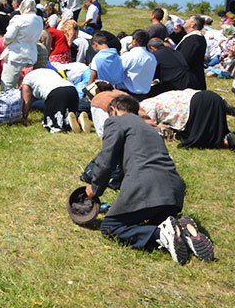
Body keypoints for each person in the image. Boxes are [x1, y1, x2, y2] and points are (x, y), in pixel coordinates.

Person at [83, 95, 213, 264]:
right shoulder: (149, 129)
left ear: (114, 110)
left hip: (146, 186)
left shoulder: (115, 122)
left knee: (111, 227)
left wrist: (95, 188)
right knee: (155, 222)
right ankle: (181, 229)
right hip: (174, 191)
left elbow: (107, 159)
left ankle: (162, 235)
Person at [21, 68, 81, 133]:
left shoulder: (27, 79)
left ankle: (63, 125)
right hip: (72, 90)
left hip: (56, 92)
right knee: (67, 114)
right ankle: (78, 120)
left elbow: (26, 100)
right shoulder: (49, 70)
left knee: (51, 123)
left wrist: (24, 116)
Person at [1, 0, 44, 89]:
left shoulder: (19, 19)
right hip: (31, 54)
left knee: (8, 83)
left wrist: (5, 43)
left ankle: (7, 102)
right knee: (25, 85)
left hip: (16, 54)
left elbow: (9, 36)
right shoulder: (39, 20)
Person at [120, 30, 158, 97]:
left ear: (135, 41)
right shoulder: (152, 58)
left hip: (126, 93)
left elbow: (117, 72)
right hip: (144, 95)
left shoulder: (128, 56)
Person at [175, 15, 207, 90]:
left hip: (189, 81)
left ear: (192, 24)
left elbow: (183, 60)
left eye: (188, 19)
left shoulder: (193, 40)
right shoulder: (195, 38)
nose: (185, 20)